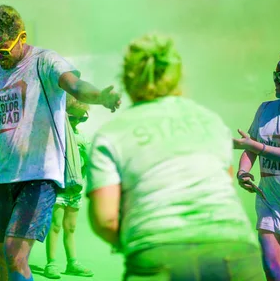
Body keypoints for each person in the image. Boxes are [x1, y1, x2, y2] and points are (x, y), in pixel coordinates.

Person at [0, 4, 121, 281]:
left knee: (15, 254)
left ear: (22, 37)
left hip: (39, 176)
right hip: (2, 177)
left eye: (3, 50)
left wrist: (99, 97)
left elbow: (75, 86)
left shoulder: (45, 62)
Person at [86, 34, 264, 281]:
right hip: (236, 253)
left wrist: (138, 239)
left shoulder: (111, 133)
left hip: (157, 255)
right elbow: (225, 183)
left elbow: (105, 219)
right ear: (179, 76)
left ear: (127, 79)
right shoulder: (210, 121)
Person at [234, 50, 280, 281]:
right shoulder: (265, 109)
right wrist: (243, 171)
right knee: (273, 273)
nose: (276, 80)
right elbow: (250, 146)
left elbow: (255, 146)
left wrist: (258, 147)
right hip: (269, 201)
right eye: (275, 74)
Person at [44, 95, 94, 279]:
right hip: (59, 189)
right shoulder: (58, 136)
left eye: (83, 117)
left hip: (75, 189)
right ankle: (52, 263)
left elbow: (87, 164)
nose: (79, 121)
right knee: (55, 226)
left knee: (71, 227)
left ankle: (72, 262)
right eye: (75, 118)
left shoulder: (82, 137)